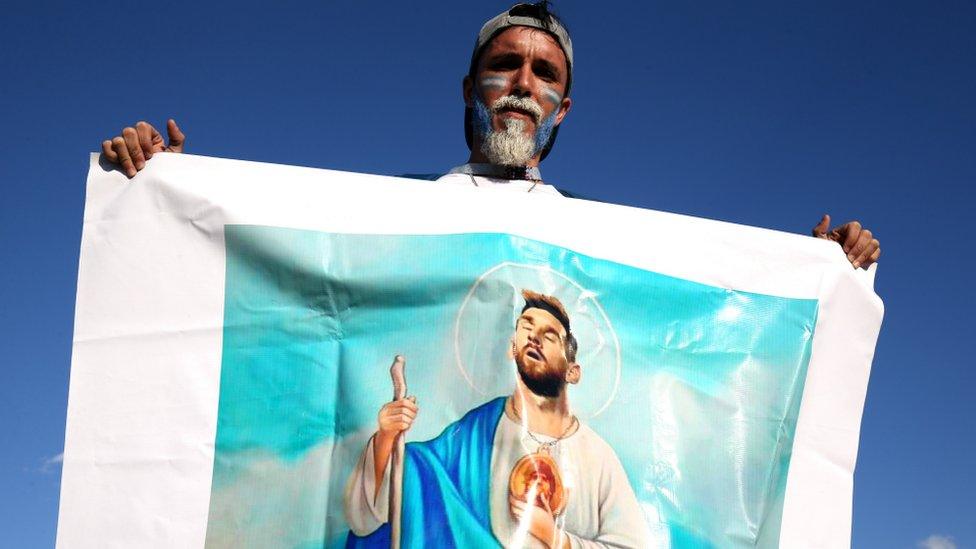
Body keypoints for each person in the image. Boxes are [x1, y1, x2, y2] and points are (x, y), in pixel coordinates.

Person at [98, 2, 881, 269]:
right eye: (505, 66)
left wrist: (817, 268)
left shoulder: (604, 242)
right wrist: (163, 189)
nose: (524, 85)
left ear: (564, 108)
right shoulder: (382, 214)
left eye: (546, 74)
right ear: (471, 89)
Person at [343, 289, 651, 548]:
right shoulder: (475, 433)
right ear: (512, 348)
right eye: (526, 329)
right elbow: (400, 488)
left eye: (549, 336)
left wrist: (554, 537)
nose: (534, 339)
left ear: (573, 371)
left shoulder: (598, 458)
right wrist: (386, 437)